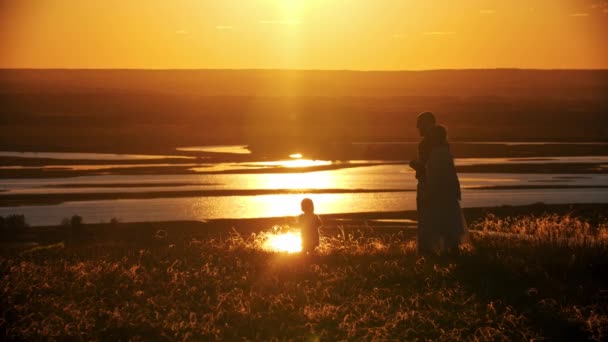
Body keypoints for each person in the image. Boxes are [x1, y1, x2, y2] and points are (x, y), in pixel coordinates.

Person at [424, 125, 468, 252]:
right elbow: (451, 174)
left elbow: (436, 175)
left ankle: (448, 250)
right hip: (447, 193)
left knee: (443, 222)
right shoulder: (445, 151)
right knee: (449, 222)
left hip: (441, 194)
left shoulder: (438, 153)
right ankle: (450, 250)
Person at [409, 111, 437, 254]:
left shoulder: (425, 144)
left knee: (425, 214)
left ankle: (426, 248)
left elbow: (425, 167)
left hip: (426, 184)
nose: (417, 127)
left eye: (419, 124)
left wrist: (413, 164)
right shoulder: (439, 145)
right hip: (434, 184)